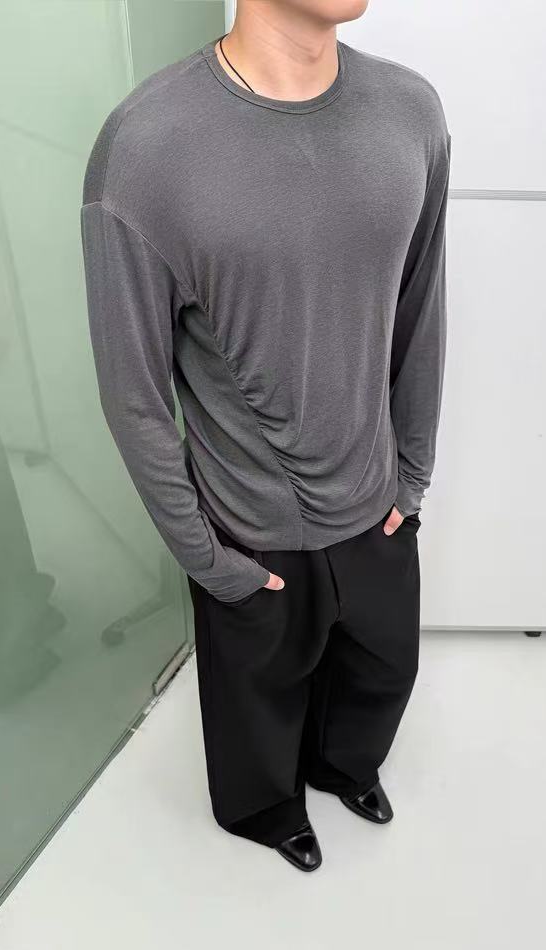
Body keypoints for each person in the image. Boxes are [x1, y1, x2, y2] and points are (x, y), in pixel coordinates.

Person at [80, 0, 450, 873]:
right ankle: (266, 810)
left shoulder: (410, 111)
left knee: (380, 671)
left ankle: (344, 768)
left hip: (375, 495)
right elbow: (134, 391)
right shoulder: (147, 147)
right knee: (256, 703)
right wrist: (206, 557)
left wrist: (412, 474)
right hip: (248, 519)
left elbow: (420, 303)